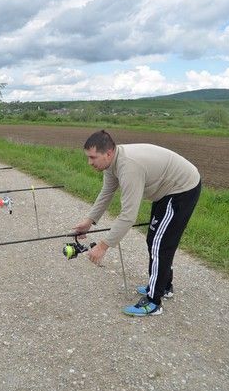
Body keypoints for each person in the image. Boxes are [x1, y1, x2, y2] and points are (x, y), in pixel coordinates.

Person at [73, 130, 201, 317]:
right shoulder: (111, 164)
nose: (89, 162)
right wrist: (89, 221)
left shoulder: (129, 167)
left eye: (93, 157)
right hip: (166, 190)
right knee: (154, 240)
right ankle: (164, 286)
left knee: (160, 244)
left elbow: (128, 216)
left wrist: (103, 246)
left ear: (108, 153)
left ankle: (153, 302)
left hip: (182, 189)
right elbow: (107, 192)